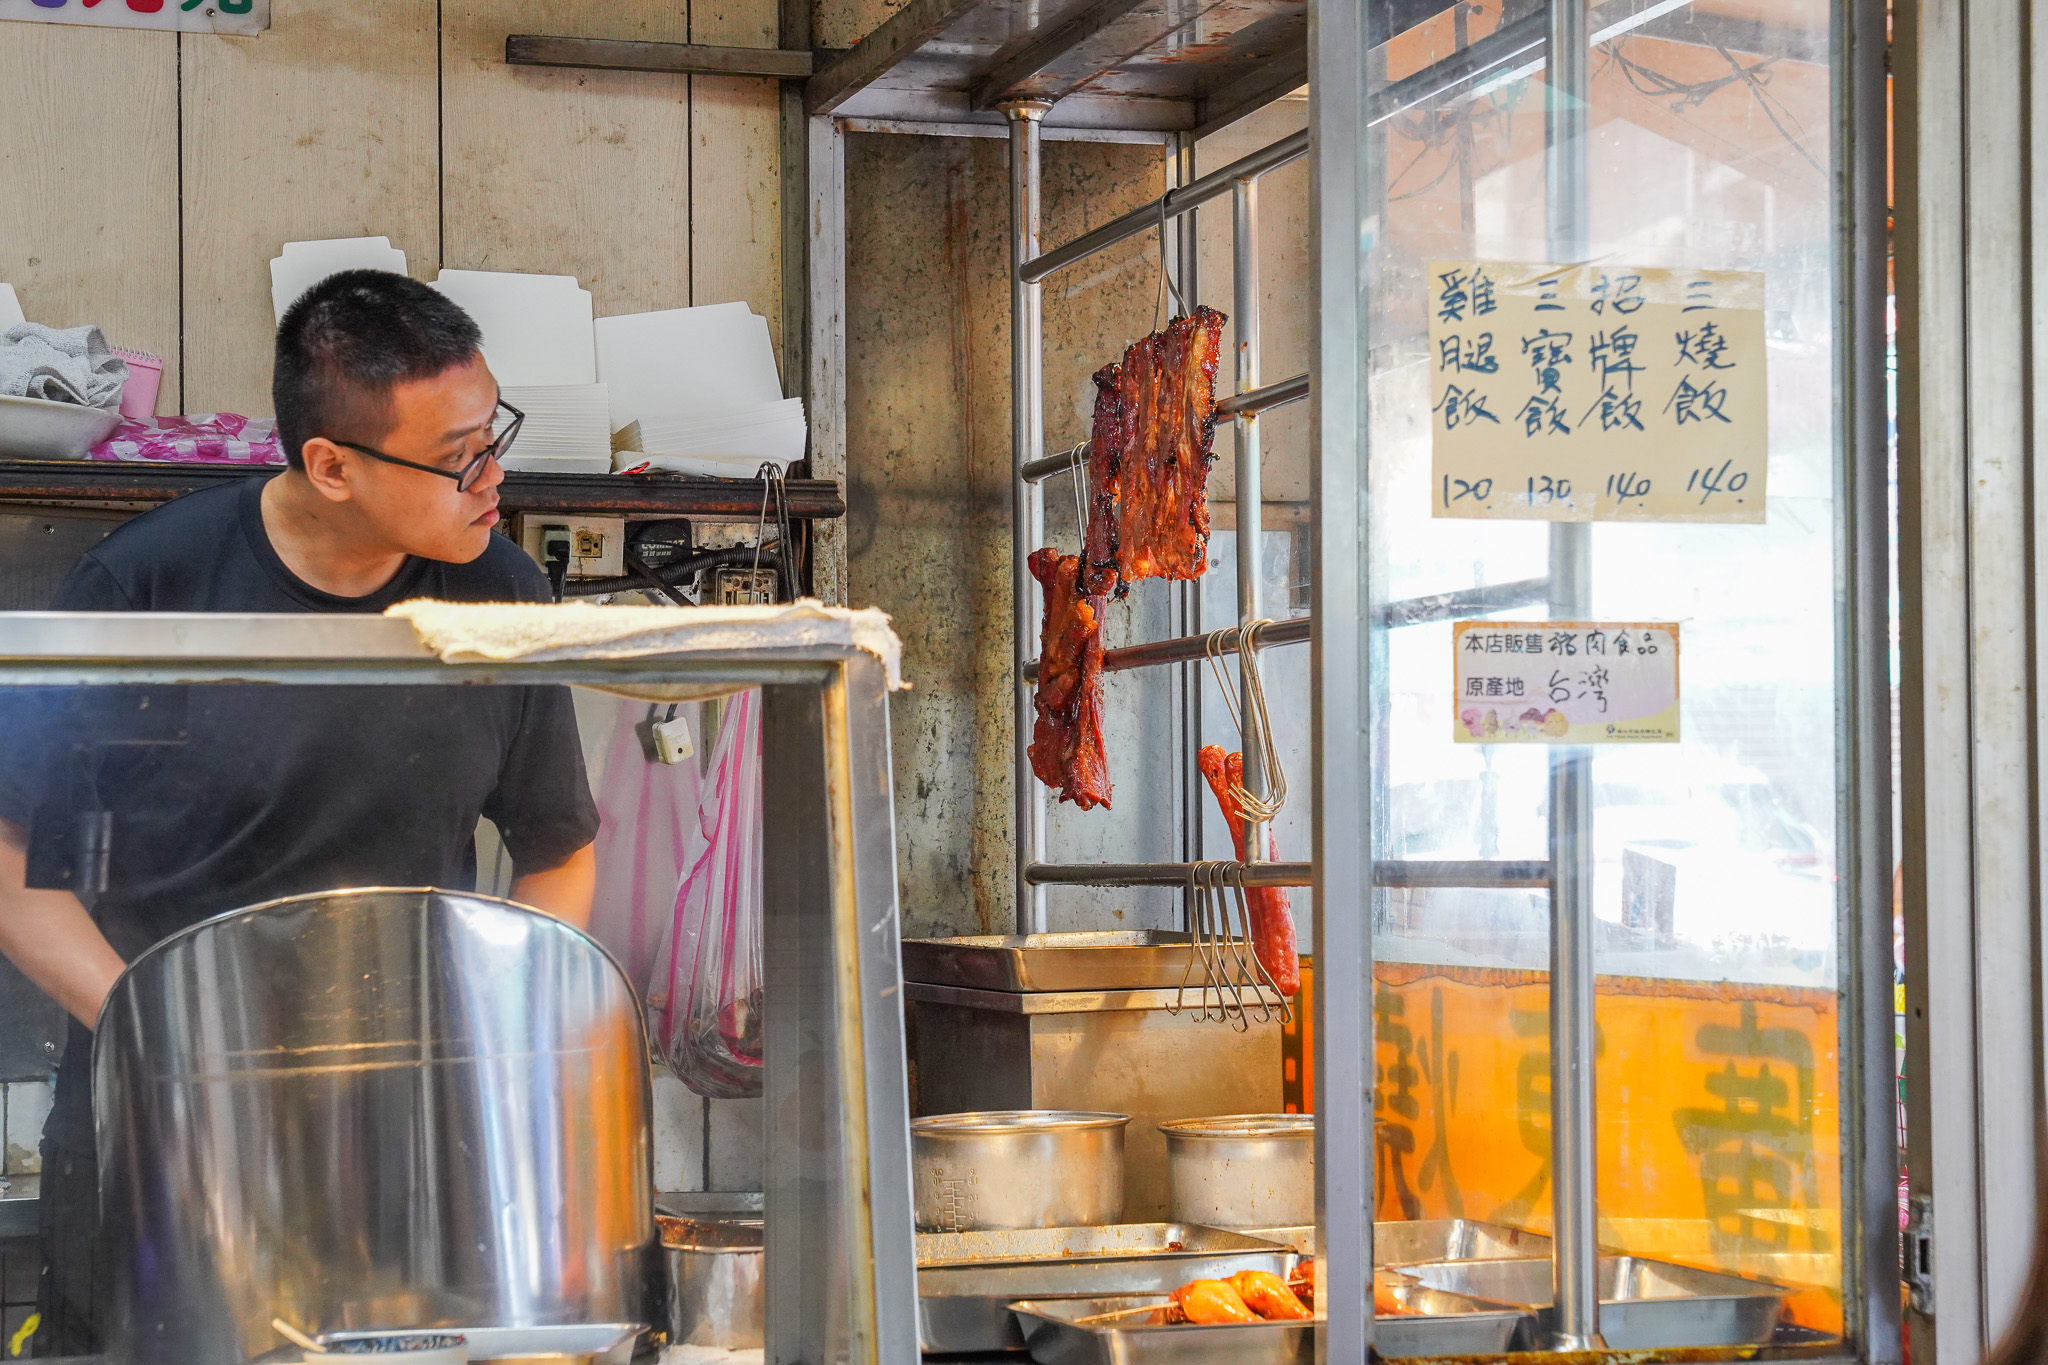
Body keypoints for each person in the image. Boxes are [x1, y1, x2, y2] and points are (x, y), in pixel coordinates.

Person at [0, 270, 600, 1356]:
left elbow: (557, 846)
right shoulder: (149, 590)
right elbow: (10, 862)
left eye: (492, 431)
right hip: (168, 1117)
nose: (492, 473)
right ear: (329, 464)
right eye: (457, 453)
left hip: (408, 1128)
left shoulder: (501, 592)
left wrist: (506, 1039)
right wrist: (162, 1035)